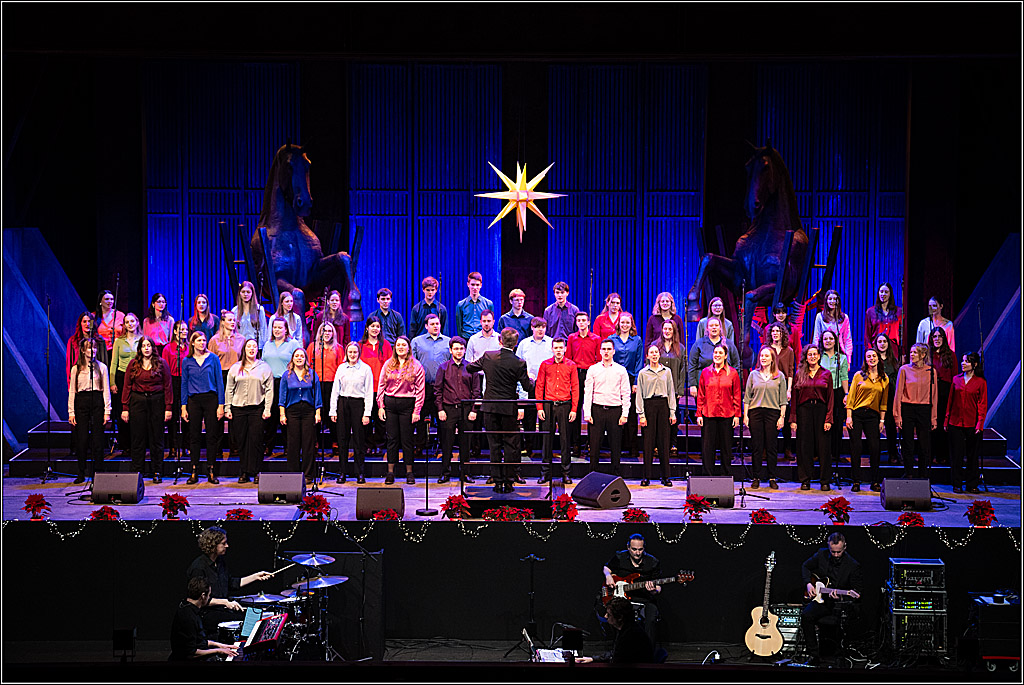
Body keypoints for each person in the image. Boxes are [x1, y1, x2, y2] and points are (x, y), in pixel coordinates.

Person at [466, 328, 533, 493]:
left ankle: (497, 481)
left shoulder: (489, 356)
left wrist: (485, 367)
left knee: (494, 444)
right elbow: (527, 386)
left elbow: (470, 368)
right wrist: (531, 379)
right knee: (510, 444)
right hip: (508, 408)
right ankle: (509, 482)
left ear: (500, 341)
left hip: (490, 407)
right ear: (516, 344)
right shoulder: (519, 362)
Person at [186, 526, 272, 634]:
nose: (227, 545)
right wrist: (225, 602)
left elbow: (232, 583)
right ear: (213, 545)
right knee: (245, 622)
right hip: (206, 614)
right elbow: (198, 600)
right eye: (223, 543)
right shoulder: (198, 567)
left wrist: (256, 577)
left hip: (222, 609)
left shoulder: (220, 562)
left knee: (253, 616)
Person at [800, 532, 863, 666]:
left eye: (838, 552)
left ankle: (839, 657)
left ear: (844, 547)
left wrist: (841, 596)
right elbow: (805, 566)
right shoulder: (821, 554)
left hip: (840, 603)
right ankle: (813, 655)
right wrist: (808, 583)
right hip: (822, 600)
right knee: (806, 615)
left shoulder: (852, 565)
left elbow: (856, 591)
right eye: (832, 552)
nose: (835, 555)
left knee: (842, 620)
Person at [121, 336, 172, 482]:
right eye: (143, 346)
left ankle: (157, 471)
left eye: (149, 345)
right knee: (138, 439)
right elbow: (127, 386)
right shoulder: (133, 364)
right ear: (140, 349)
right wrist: (125, 407)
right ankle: (138, 472)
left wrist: (168, 407)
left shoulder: (161, 363)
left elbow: (168, 386)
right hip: (138, 402)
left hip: (157, 401)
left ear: (153, 347)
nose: (146, 348)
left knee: (157, 438)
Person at [378, 336, 426, 484]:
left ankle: (409, 472)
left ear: (408, 348)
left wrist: (416, 411)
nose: (400, 347)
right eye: (398, 345)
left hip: (407, 405)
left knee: (407, 440)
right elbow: (381, 386)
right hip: (391, 404)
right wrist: (381, 406)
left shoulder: (416, 366)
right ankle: (390, 472)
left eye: (403, 345)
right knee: (392, 439)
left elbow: (420, 390)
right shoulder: (388, 364)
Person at [224, 339, 273, 483]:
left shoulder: (264, 367)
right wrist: (227, 407)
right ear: (244, 349)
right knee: (242, 441)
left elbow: (269, 390)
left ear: (258, 349)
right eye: (249, 346)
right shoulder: (235, 367)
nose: (251, 349)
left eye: (254, 347)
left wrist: (267, 408)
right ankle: (244, 471)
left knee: (256, 441)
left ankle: (257, 471)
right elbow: (229, 389)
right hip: (238, 408)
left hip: (256, 408)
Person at [601, 534, 662, 648]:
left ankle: (648, 651)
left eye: (640, 549)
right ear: (628, 547)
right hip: (622, 598)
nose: (637, 553)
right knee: (614, 615)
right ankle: (618, 648)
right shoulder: (620, 557)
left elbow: (658, 586)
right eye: (634, 549)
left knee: (652, 617)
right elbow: (606, 568)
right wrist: (608, 576)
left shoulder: (652, 562)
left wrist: (653, 591)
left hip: (645, 598)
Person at [434, 336, 481, 484]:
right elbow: (438, 391)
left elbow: (476, 391)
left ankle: (465, 473)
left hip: (466, 409)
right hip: (448, 409)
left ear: (465, 350)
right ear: (450, 350)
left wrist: (474, 409)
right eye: (456, 349)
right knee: (447, 442)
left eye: (461, 348)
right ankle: (445, 472)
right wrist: (440, 409)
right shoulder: (443, 367)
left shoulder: (471, 367)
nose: (459, 351)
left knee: (466, 442)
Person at [181, 331, 225, 485]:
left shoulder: (213, 358)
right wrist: (183, 406)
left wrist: (221, 405)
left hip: (211, 398)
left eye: (204, 340)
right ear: (192, 343)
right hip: (194, 400)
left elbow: (219, 382)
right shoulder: (187, 361)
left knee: (212, 435)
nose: (202, 343)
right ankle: (194, 470)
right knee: (194, 436)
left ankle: (211, 470)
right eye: (198, 340)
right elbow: (184, 384)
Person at [583, 340, 631, 476]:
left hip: (615, 411)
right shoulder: (593, 369)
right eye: (604, 349)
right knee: (594, 447)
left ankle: (615, 477)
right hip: (597, 410)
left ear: (614, 351)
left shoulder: (621, 370)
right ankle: (592, 476)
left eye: (609, 349)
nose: (606, 351)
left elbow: (626, 393)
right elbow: (588, 392)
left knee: (615, 447)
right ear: (600, 351)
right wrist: (587, 412)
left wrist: (625, 414)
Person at [535, 338, 579, 484]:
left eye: (561, 348)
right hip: (548, 405)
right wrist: (539, 407)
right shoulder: (545, 364)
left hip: (565, 405)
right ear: (552, 349)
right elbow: (539, 386)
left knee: (565, 440)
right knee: (547, 440)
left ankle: (566, 472)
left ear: (565, 349)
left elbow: (575, 387)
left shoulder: (571, 365)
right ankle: (545, 473)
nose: (558, 350)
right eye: (556, 348)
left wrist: (574, 409)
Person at [790, 345, 834, 490]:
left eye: (815, 354)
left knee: (824, 447)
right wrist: (793, 419)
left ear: (819, 356)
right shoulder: (800, 374)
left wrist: (828, 418)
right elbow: (795, 398)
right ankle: (805, 479)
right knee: (804, 446)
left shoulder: (826, 374)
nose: (813, 357)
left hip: (821, 410)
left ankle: (825, 480)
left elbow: (830, 398)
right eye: (810, 354)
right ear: (806, 357)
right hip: (804, 411)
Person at [329, 342, 375, 484]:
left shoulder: (365, 369)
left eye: (355, 352)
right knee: (342, 439)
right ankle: (342, 472)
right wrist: (333, 410)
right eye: (350, 352)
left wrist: (367, 413)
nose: (352, 355)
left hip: (358, 404)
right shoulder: (341, 368)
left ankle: (360, 472)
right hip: (343, 403)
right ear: (346, 353)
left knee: (359, 440)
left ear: (359, 353)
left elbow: (368, 392)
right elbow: (335, 390)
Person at [68, 338, 111, 484]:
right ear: (82, 350)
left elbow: (106, 390)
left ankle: (99, 471)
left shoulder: (102, 367)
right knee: (82, 439)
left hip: (97, 400)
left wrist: (107, 410)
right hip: (82, 401)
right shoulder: (76, 369)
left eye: (94, 348)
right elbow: (72, 391)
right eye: (88, 348)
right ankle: (81, 471)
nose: (92, 351)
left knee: (98, 439)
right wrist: (71, 411)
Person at [744, 346, 787, 490]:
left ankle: (772, 477)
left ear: (772, 358)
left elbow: (783, 400)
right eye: (762, 355)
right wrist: (745, 415)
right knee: (757, 446)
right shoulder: (753, 375)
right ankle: (756, 477)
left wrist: (782, 417)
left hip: (772, 413)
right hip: (755, 412)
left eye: (767, 356)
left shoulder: (779, 376)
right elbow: (747, 398)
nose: (763, 358)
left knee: (771, 447)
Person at [845, 348, 888, 492]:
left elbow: (884, 402)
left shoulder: (884, 378)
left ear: (878, 358)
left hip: (873, 416)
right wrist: (849, 416)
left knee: (875, 448)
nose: (871, 358)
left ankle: (875, 481)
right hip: (857, 414)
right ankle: (856, 481)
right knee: (856, 448)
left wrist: (882, 421)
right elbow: (850, 398)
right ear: (865, 360)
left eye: (874, 356)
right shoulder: (859, 375)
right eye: (868, 356)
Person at [894, 343, 938, 478]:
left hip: (924, 409)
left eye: (915, 352)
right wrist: (897, 415)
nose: (911, 355)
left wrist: (933, 417)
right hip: (907, 408)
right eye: (911, 352)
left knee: (924, 445)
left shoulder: (931, 371)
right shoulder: (904, 369)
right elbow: (898, 393)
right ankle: (909, 473)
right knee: (908, 444)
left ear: (923, 355)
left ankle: (923, 475)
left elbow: (934, 396)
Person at [696, 344, 741, 476]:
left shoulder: (732, 373)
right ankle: (708, 477)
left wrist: (737, 415)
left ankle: (725, 477)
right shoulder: (705, 372)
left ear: (725, 356)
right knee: (708, 449)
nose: (717, 355)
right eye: (715, 352)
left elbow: (737, 394)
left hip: (727, 415)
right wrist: (699, 414)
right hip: (709, 415)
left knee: (726, 449)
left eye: (720, 353)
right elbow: (701, 394)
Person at [946, 351, 988, 493]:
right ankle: (957, 483)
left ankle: (972, 484)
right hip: (955, 422)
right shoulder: (956, 379)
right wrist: (946, 420)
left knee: (972, 455)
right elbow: (950, 401)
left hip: (972, 423)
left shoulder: (980, 382)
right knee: (956, 455)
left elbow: (982, 404)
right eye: (963, 360)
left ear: (974, 364)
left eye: (967, 361)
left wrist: (980, 423)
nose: (963, 363)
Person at [411, 314, 451, 460]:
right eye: (432, 324)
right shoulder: (416, 342)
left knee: (442, 418)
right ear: (426, 326)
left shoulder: (448, 342)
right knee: (420, 418)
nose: (435, 326)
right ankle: (420, 446)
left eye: (437, 324)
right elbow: (412, 363)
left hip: (442, 387)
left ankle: (442, 447)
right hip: (423, 387)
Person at [279, 348, 322, 483]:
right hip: (292, 411)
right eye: (296, 356)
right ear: (292, 358)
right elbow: (282, 396)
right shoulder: (287, 375)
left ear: (305, 359)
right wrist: (282, 414)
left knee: (308, 444)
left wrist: (318, 413)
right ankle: (293, 475)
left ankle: (308, 475)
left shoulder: (312, 375)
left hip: (308, 411)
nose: (299, 358)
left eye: (301, 356)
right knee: (293, 444)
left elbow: (317, 396)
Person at [169, 577, 238, 661]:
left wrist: (220, 645)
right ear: (203, 596)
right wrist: (218, 651)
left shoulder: (188, 607)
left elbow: (200, 642)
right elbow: (191, 653)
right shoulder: (188, 617)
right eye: (209, 595)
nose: (209, 598)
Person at [261, 318, 301, 461]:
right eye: (274, 327)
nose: (277, 330)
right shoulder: (268, 344)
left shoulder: (293, 344)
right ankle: (269, 445)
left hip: (287, 382)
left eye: (280, 327)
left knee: (286, 415)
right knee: (270, 415)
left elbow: (299, 360)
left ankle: (288, 446)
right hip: (269, 383)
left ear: (286, 329)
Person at [637, 345, 677, 487]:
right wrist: (641, 414)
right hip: (649, 406)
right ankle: (646, 476)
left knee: (664, 443)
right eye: (651, 353)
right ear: (647, 356)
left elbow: (671, 392)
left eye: (656, 352)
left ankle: (665, 476)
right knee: (648, 443)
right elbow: (640, 394)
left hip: (663, 406)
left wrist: (672, 412)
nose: (654, 355)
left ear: (659, 355)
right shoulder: (643, 373)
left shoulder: (667, 372)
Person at [576, 596, 656, 665]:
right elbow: (614, 653)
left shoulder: (631, 635)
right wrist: (593, 659)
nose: (605, 616)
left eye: (609, 614)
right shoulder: (626, 629)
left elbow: (618, 660)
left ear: (620, 617)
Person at [515, 317, 553, 461]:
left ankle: (545, 449)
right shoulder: (524, 344)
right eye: (537, 327)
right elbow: (518, 366)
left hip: (546, 385)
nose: (540, 329)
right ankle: (528, 447)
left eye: (543, 326)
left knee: (546, 417)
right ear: (532, 327)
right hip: (529, 384)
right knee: (529, 419)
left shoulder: (551, 343)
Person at [567, 311, 602, 458]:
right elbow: (568, 358)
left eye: (584, 320)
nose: (581, 323)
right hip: (575, 374)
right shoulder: (571, 338)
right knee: (575, 407)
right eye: (579, 320)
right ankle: (575, 444)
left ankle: (590, 443)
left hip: (590, 374)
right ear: (576, 323)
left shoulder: (596, 339)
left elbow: (599, 358)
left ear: (588, 322)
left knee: (590, 409)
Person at [609, 312, 644, 460]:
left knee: (630, 414)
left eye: (627, 323)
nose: (624, 325)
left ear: (631, 324)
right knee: (616, 412)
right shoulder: (611, 339)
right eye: (622, 322)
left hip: (630, 379)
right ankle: (617, 447)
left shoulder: (636, 340)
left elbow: (639, 361)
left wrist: (636, 382)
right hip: (614, 379)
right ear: (618, 323)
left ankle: (632, 447)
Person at [307, 322, 343, 457]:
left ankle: (335, 443)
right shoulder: (312, 347)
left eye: (329, 331)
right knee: (316, 415)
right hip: (316, 384)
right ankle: (315, 443)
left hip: (332, 385)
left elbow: (340, 368)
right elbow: (308, 366)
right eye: (324, 331)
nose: (326, 333)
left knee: (333, 415)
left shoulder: (338, 348)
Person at [359, 316, 392, 457]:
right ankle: (367, 444)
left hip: (381, 389)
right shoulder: (360, 345)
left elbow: (391, 367)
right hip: (364, 389)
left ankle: (379, 445)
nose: (375, 329)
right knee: (366, 418)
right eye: (372, 326)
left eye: (377, 326)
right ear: (367, 327)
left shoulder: (386, 345)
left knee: (380, 420)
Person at [110, 312, 142, 455]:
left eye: (132, 321)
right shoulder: (118, 341)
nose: (130, 324)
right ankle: (125, 445)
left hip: (138, 376)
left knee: (136, 412)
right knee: (123, 412)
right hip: (122, 376)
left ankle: (137, 444)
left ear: (137, 322)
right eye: (127, 322)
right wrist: (112, 382)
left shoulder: (142, 339)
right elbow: (114, 363)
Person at [819, 330, 850, 469]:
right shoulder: (819, 356)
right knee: (821, 422)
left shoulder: (842, 358)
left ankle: (835, 453)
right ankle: (821, 453)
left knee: (837, 423)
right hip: (821, 392)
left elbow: (844, 377)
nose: (828, 341)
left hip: (836, 392)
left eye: (831, 338)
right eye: (825, 339)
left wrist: (846, 394)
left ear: (835, 340)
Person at [688, 317, 740, 397]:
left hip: (725, 386)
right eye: (711, 325)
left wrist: (734, 384)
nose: (714, 327)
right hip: (703, 386)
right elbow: (692, 365)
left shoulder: (729, 344)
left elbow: (736, 365)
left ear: (720, 328)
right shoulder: (699, 344)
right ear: (707, 328)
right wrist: (692, 385)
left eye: (716, 325)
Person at [766, 321, 796, 461]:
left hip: (783, 388)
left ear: (782, 333)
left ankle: (787, 449)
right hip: (769, 388)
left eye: (778, 331)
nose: (775, 333)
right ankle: (767, 450)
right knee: (770, 421)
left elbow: (790, 372)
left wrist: (789, 390)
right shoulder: (766, 349)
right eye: (773, 331)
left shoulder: (789, 351)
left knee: (785, 420)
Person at [162, 321, 190, 461]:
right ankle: (173, 447)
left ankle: (186, 446)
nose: (184, 332)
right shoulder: (168, 348)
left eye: (185, 329)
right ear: (174, 331)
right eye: (181, 330)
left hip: (187, 382)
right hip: (172, 381)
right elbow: (165, 369)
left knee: (186, 415)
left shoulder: (189, 347)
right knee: (173, 417)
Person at [929, 327, 956, 465]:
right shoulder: (927, 355)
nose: (937, 339)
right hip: (930, 392)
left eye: (940, 336)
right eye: (935, 336)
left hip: (945, 392)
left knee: (942, 425)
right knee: (931, 425)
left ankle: (942, 455)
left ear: (944, 338)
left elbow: (955, 377)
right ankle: (931, 455)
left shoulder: (950, 355)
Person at [874, 333, 901, 465]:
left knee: (890, 427)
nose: (882, 344)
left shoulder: (894, 361)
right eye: (880, 341)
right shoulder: (873, 359)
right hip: (875, 397)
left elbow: (897, 380)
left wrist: (887, 379)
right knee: (874, 427)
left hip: (890, 396)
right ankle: (875, 455)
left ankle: (893, 453)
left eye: (884, 341)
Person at [864, 282, 902, 359]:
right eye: (881, 292)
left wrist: (903, 353)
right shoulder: (871, 312)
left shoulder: (899, 312)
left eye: (886, 292)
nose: (883, 294)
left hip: (894, 350)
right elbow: (867, 335)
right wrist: (869, 351)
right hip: (876, 349)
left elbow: (902, 334)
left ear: (890, 294)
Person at [66, 311, 107, 382]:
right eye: (84, 321)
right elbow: (69, 364)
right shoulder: (73, 341)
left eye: (89, 321)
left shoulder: (99, 340)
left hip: (96, 379)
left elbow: (104, 361)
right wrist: (70, 382)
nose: (87, 324)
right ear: (80, 323)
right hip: (79, 379)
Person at [812, 289, 853, 360]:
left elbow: (847, 339)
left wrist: (848, 359)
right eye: (830, 299)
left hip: (840, 354)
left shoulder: (844, 318)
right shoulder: (820, 317)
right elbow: (816, 337)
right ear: (826, 301)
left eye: (835, 299)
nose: (832, 301)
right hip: (823, 353)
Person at [455, 271, 494, 340]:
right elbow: (459, 326)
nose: (475, 287)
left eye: (477, 285)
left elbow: (491, 324)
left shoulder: (488, 304)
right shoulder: (461, 305)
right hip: (466, 338)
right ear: (468, 284)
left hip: (483, 338)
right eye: (472, 284)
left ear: (481, 285)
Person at [232, 280, 269, 348]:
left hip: (255, 347)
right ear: (240, 293)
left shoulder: (259, 310)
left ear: (252, 293)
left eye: (248, 292)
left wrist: (262, 347)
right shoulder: (235, 311)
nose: (245, 294)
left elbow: (263, 330)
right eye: (243, 292)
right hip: (240, 347)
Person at [94, 289, 125, 354]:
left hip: (117, 351)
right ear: (100, 301)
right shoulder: (94, 316)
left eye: (112, 299)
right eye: (107, 299)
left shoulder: (120, 315)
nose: (110, 301)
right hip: (99, 352)